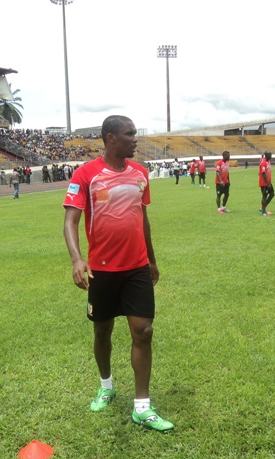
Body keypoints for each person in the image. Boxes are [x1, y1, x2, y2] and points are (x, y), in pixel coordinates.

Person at [63, 115, 174, 432]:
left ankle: (142, 407)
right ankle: (106, 386)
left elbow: (143, 218)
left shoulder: (140, 173)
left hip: (136, 268)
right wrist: (77, 260)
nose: (136, 139)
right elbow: (70, 220)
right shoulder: (86, 174)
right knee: (102, 332)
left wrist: (151, 259)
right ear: (111, 138)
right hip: (101, 271)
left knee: (144, 332)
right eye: (130, 134)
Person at [259, 150, 274, 216]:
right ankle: (263, 212)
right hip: (264, 183)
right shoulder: (263, 163)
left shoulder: (268, 162)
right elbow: (264, 173)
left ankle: (263, 208)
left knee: (272, 194)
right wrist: (268, 184)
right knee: (264, 196)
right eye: (270, 155)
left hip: (268, 182)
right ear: (266, 155)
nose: (271, 156)